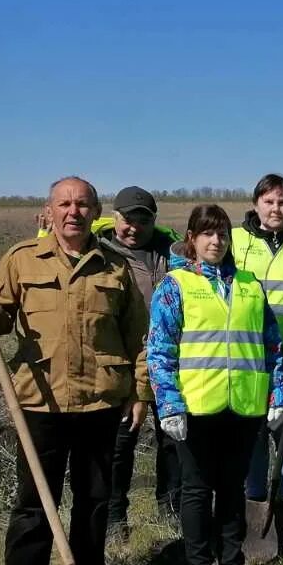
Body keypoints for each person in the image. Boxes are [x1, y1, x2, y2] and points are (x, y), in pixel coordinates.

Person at [0, 177, 152, 565]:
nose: (73, 212)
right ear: (49, 211)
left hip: (101, 400)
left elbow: (138, 338)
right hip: (39, 403)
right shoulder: (22, 259)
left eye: (83, 204)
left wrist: (140, 393)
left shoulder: (115, 267)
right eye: (64, 203)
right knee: (33, 507)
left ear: (96, 211)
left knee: (94, 502)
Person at [148, 205, 283, 565]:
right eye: (207, 234)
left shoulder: (249, 285)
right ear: (192, 238)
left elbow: (272, 346)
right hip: (195, 408)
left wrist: (278, 395)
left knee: (232, 490)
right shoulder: (175, 286)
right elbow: (159, 349)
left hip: (243, 407)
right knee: (196, 491)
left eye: (222, 234)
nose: (216, 241)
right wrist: (169, 404)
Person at [231, 174, 283, 535]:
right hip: (248, 352)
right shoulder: (237, 240)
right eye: (268, 202)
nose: (275, 209)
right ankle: (255, 500)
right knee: (253, 433)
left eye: (282, 202)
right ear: (255, 205)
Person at [95, 186, 181, 536]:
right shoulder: (98, 250)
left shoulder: (169, 251)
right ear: (114, 217)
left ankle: (170, 506)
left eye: (142, 221)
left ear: (153, 221)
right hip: (120, 356)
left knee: (173, 436)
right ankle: (115, 516)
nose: (133, 228)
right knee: (121, 440)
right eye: (127, 220)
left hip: (168, 357)